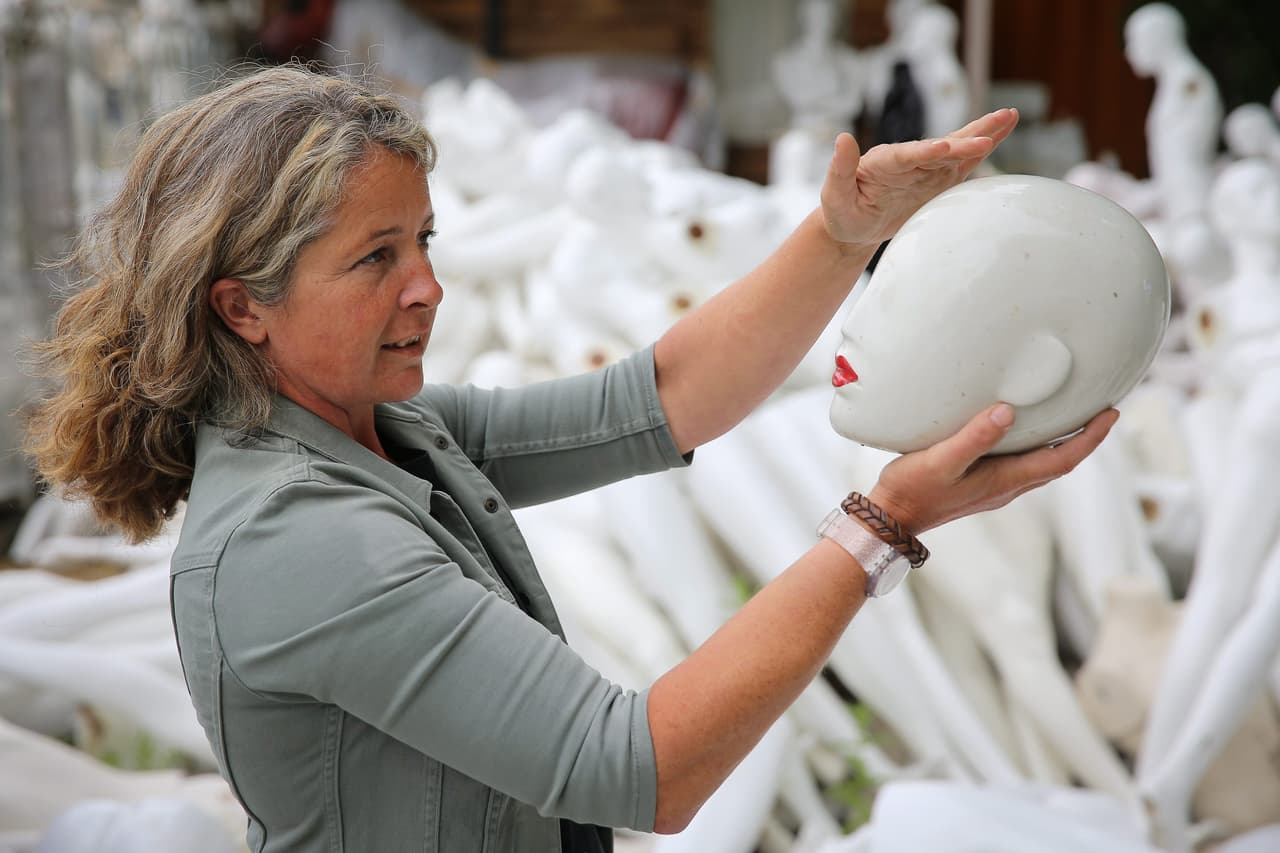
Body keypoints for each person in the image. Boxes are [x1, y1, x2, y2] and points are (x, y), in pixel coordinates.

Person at [25, 66, 1115, 853]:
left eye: (424, 243)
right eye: (374, 258)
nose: (427, 288)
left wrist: (841, 234)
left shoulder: (385, 432)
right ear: (242, 308)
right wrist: (878, 527)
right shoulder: (301, 540)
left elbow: (664, 398)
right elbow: (645, 768)